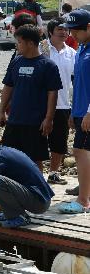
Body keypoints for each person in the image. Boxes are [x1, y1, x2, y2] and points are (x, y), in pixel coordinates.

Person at [0, 25, 62, 171]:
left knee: (35, 159)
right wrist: (1, 110)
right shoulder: (16, 62)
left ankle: (37, 191)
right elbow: (8, 87)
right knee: (9, 157)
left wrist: (49, 118)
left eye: (20, 42)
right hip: (14, 120)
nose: (17, 45)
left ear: (31, 43)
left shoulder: (48, 65)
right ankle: (12, 190)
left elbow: (53, 94)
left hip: (35, 122)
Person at [57, 9, 90, 213]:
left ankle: (83, 200)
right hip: (79, 109)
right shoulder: (81, 48)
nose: (72, 35)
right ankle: (85, 190)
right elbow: (77, 83)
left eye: (76, 31)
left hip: (87, 111)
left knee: (80, 151)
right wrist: (73, 110)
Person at [41, 18, 76, 184]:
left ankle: (54, 173)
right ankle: (35, 173)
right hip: (40, 104)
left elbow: (75, 80)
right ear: (50, 32)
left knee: (59, 141)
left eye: (66, 29)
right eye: (60, 29)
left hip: (63, 103)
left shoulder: (72, 53)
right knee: (37, 140)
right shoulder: (41, 48)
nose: (64, 32)